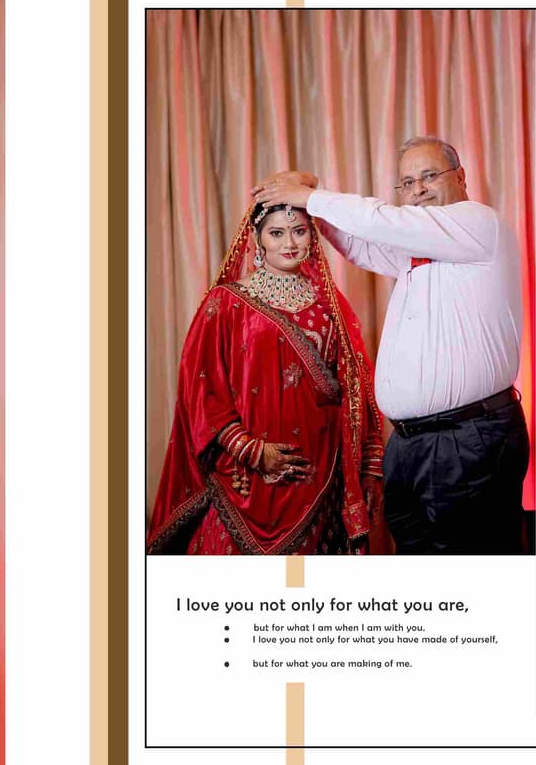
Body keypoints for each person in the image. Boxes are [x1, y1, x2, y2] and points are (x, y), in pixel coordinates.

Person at [247, 137, 532, 553]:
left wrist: (310, 195)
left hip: (466, 439)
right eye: (407, 182)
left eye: (429, 176)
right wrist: (311, 210)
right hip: (413, 444)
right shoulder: (418, 250)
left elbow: (382, 222)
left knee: (470, 574)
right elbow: (362, 245)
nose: (418, 190)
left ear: (461, 177)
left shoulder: (477, 223)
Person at [147, 202, 392, 554]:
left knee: (301, 589)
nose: (289, 243)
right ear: (257, 240)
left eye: (299, 231)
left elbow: (356, 391)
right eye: (276, 233)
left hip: (319, 479)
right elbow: (200, 388)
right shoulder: (227, 302)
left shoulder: (330, 306)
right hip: (246, 479)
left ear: (312, 236)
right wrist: (251, 450)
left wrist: (369, 466)